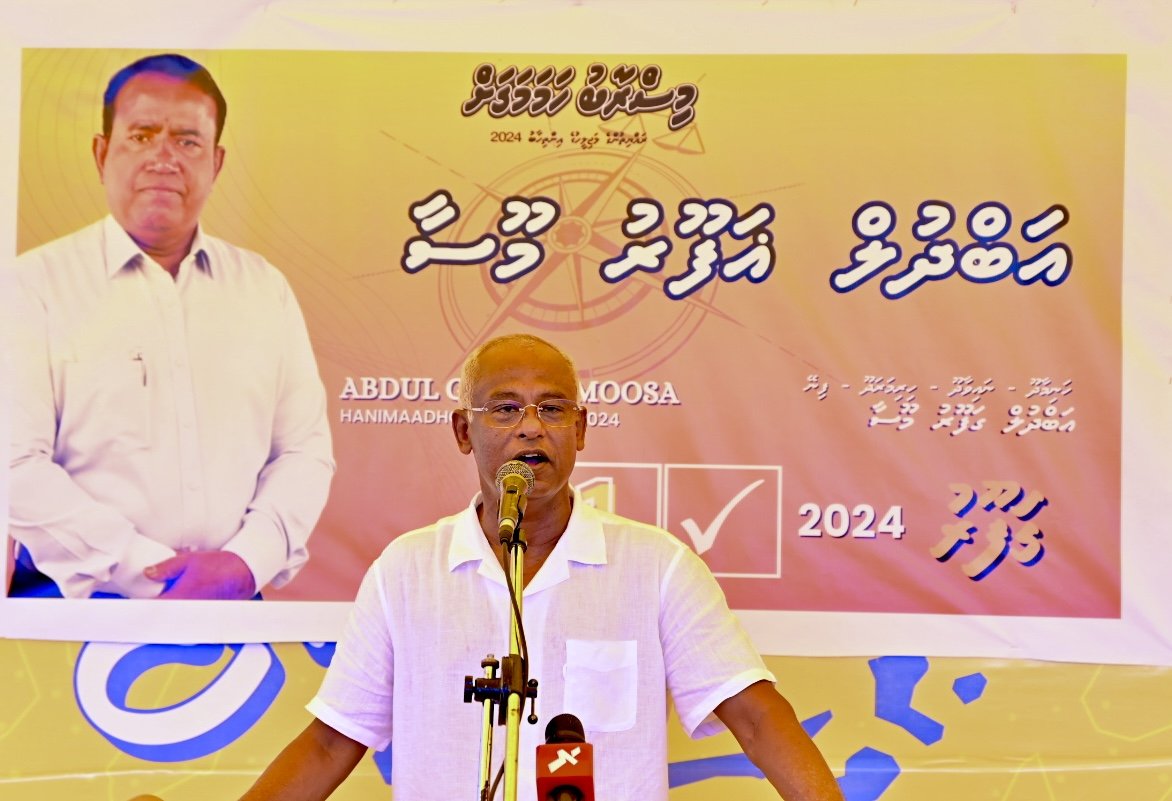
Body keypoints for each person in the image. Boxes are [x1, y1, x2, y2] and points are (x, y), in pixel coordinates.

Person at [238, 334, 842, 801]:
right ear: (463, 431)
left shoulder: (657, 568)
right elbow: (330, 743)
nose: (531, 426)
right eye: (505, 409)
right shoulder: (407, 572)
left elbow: (756, 717)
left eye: (552, 408)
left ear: (579, 429)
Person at [3, 53, 334, 599]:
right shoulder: (31, 286)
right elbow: (13, 464)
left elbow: (303, 450)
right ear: (102, 153)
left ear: (216, 163)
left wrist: (245, 563)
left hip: (231, 605)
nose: (163, 158)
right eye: (141, 136)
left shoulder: (262, 289)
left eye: (187, 141)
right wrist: (151, 571)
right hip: (74, 611)